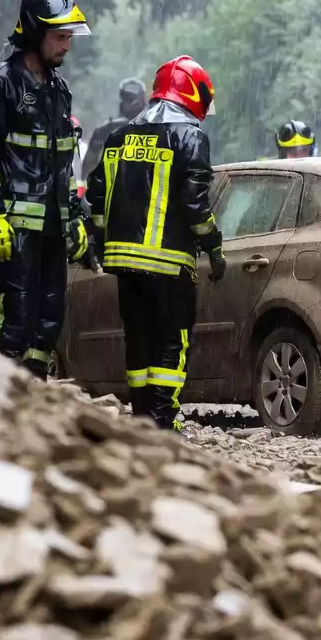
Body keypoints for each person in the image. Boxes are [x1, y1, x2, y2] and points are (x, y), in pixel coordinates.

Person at [85, 56, 226, 432]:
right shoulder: (190, 137)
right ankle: (162, 421)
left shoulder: (119, 136)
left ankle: (142, 418)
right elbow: (196, 207)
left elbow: (96, 198)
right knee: (171, 339)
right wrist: (214, 245)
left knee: (139, 338)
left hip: (122, 261)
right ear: (193, 93)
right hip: (167, 263)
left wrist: (100, 244)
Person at [0, 0, 89, 377]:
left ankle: (31, 395)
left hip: (52, 227)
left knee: (50, 318)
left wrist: (75, 221)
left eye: (69, 37)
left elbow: (63, 164)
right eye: (60, 37)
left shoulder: (59, 90)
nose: (67, 46)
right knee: (15, 315)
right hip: (15, 225)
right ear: (35, 32)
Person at [79, 77, 147, 177]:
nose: (133, 104)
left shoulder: (105, 129)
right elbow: (88, 169)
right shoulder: (105, 130)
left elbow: (87, 171)